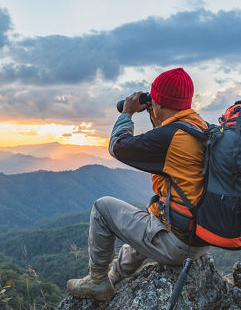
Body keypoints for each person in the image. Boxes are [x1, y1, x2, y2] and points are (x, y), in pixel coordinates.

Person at [67, 68, 211, 301]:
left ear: (158, 103)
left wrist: (127, 113)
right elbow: (164, 144)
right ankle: (114, 276)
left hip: (177, 245)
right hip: (200, 240)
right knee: (150, 215)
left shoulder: (171, 137)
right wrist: (158, 116)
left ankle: (97, 279)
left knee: (103, 208)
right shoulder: (200, 127)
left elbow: (118, 146)